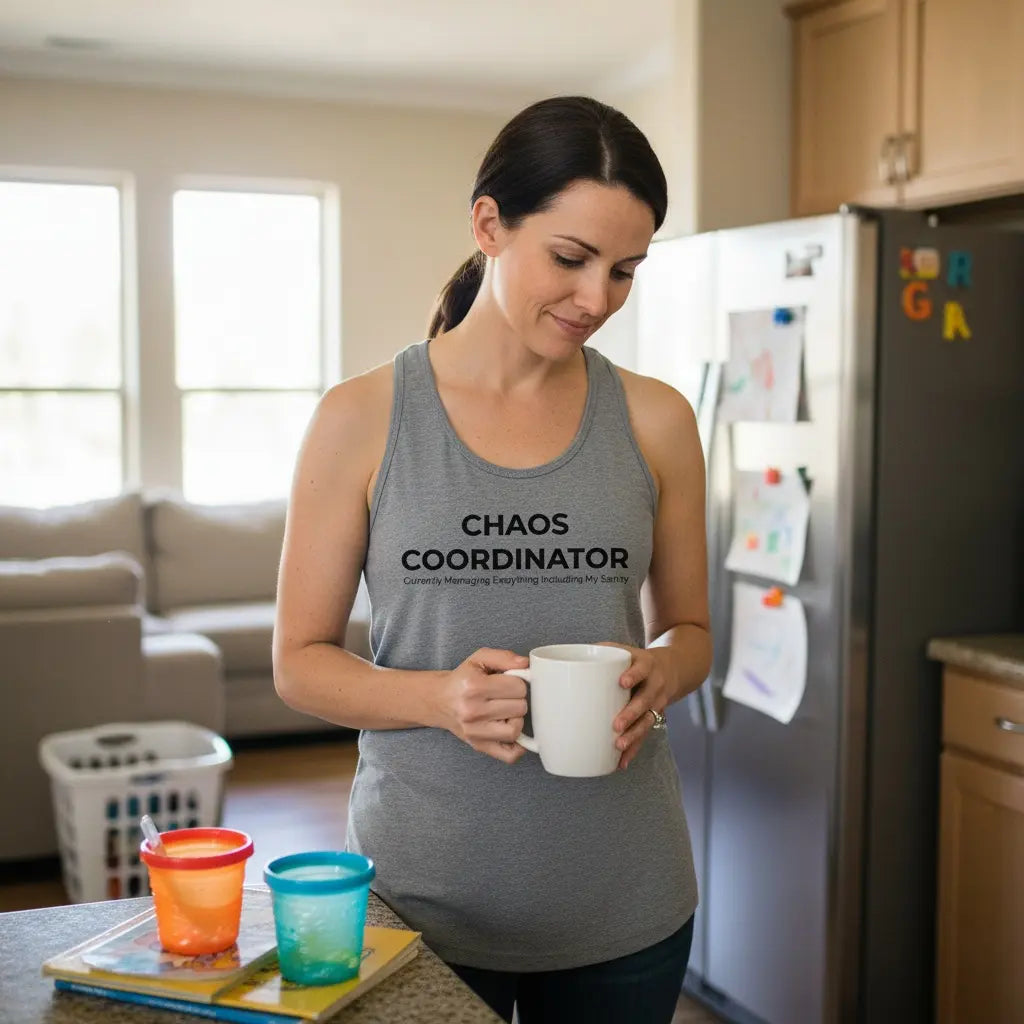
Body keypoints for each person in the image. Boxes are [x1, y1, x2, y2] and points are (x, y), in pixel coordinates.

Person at [273, 95, 712, 1024]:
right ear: (488, 224)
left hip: (626, 902)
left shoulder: (658, 419)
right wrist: (440, 697)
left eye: (626, 271)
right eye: (571, 258)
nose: (598, 299)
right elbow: (299, 663)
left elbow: (694, 629)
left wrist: (662, 670)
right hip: (419, 904)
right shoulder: (362, 418)